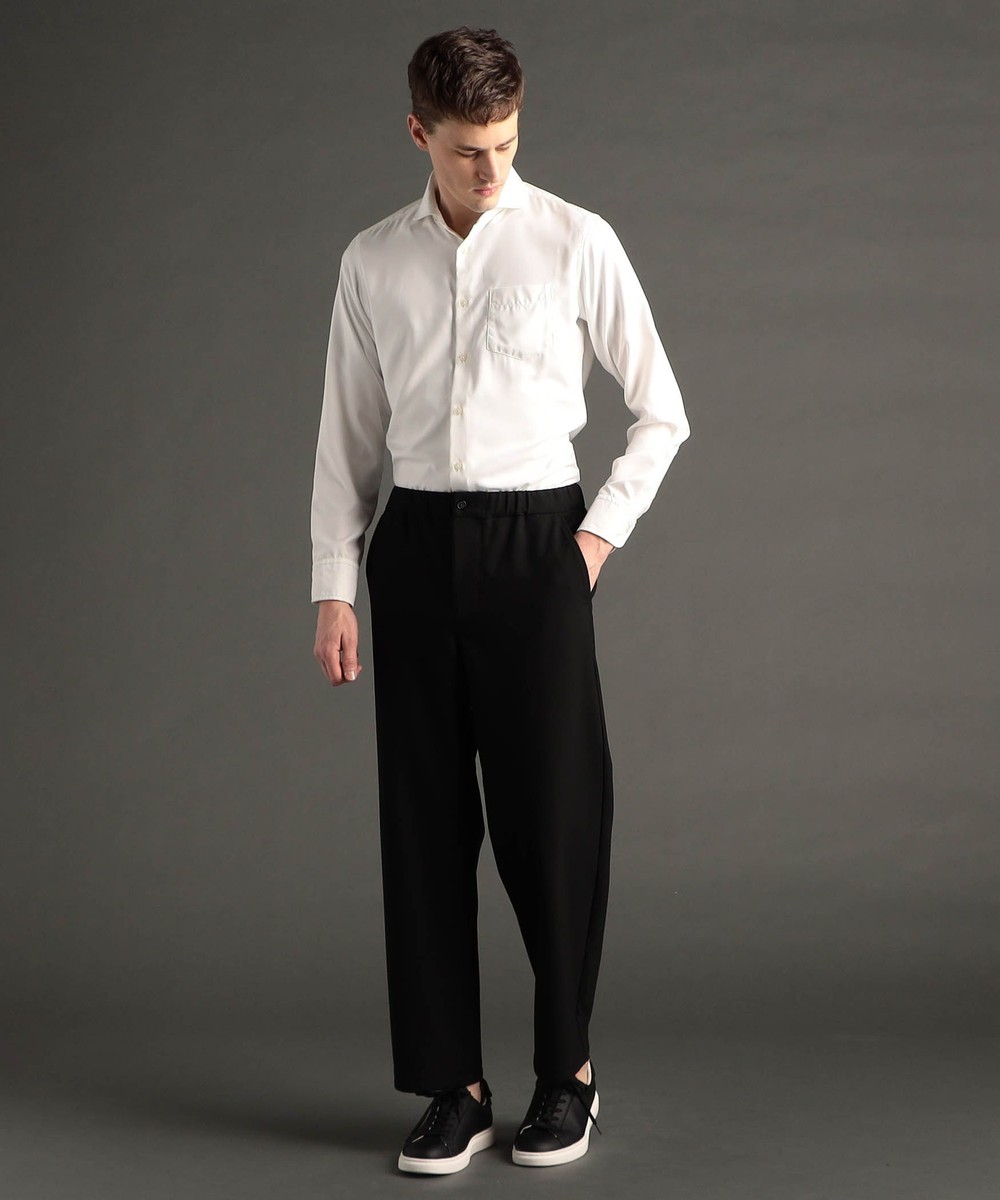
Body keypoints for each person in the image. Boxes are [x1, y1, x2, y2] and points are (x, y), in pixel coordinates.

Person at [310, 25, 691, 1175]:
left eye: (508, 144)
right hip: (415, 547)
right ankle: (454, 1088)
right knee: (424, 825)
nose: (492, 169)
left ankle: (567, 1073)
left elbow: (662, 410)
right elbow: (346, 439)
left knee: (553, 819)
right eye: (468, 148)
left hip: (538, 543)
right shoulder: (372, 261)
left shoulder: (575, 240)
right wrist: (334, 585)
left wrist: (591, 541)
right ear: (417, 132)